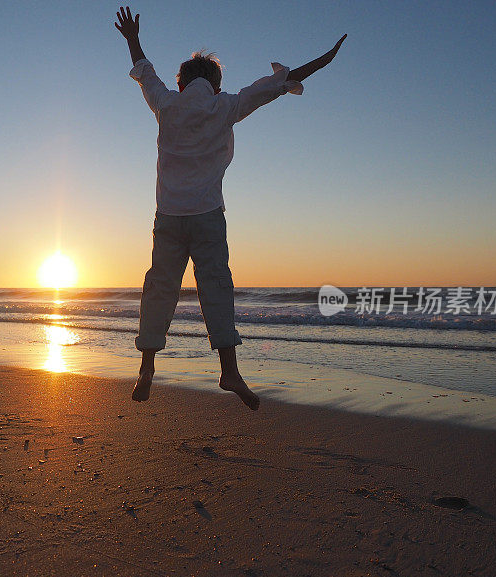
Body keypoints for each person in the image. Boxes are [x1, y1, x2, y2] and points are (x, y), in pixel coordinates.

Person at [115, 6, 346, 410]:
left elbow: (144, 70)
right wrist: (325, 60)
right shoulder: (227, 106)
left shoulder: (167, 105)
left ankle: (147, 366)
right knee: (217, 289)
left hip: (169, 217)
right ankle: (230, 371)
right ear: (216, 85)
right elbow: (277, 85)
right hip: (207, 217)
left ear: (183, 83)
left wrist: (132, 36)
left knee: (160, 289)